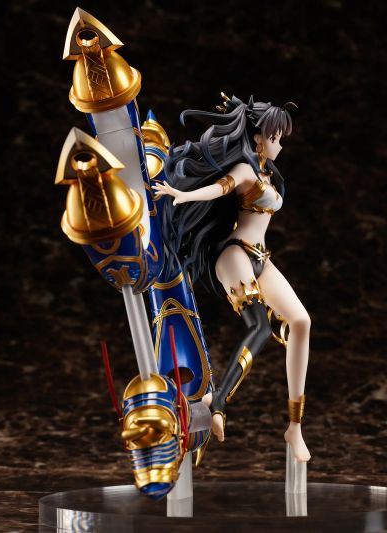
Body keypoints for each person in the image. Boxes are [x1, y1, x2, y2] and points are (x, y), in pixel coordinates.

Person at [152, 94, 311, 462]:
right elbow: (219, 188)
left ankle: (294, 426)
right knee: (259, 327)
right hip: (235, 253)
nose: (280, 144)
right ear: (258, 138)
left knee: (301, 323)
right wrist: (181, 194)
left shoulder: (268, 175)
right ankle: (218, 403)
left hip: (261, 258)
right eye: (276, 137)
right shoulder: (245, 170)